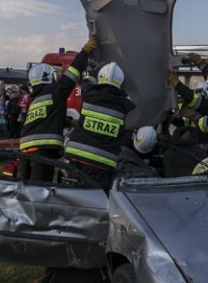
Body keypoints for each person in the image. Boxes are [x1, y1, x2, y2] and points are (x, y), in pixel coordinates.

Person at [18, 36, 96, 182]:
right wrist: (84, 52)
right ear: (47, 77)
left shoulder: (34, 99)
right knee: (39, 189)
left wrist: (66, 121)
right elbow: (73, 73)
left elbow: (44, 119)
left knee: (22, 188)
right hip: (42, 150)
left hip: (25, 149)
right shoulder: (54, 91)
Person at [64, 62, 136, 193]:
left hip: (77, 156)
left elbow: (85, 82)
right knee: (96, 202)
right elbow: (124, 136)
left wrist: (93, 70)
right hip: (102, 163)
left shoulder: (89, 95)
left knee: (74, 195)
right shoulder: (124, 106)